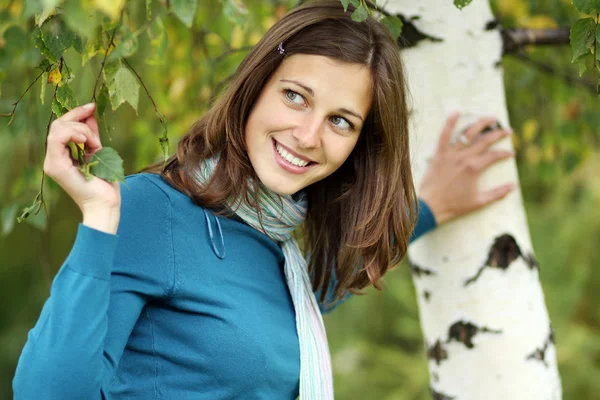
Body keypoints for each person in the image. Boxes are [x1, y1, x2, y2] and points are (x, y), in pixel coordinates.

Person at [12, 1, 515, 399]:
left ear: (359, 147)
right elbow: (46, 394)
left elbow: (311, 289)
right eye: (295, 96)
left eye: (341, 121)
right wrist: (100, 217)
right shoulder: (149, 211)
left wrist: (428, 207)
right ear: (255, 88)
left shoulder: (281, 258)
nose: (308, 134)